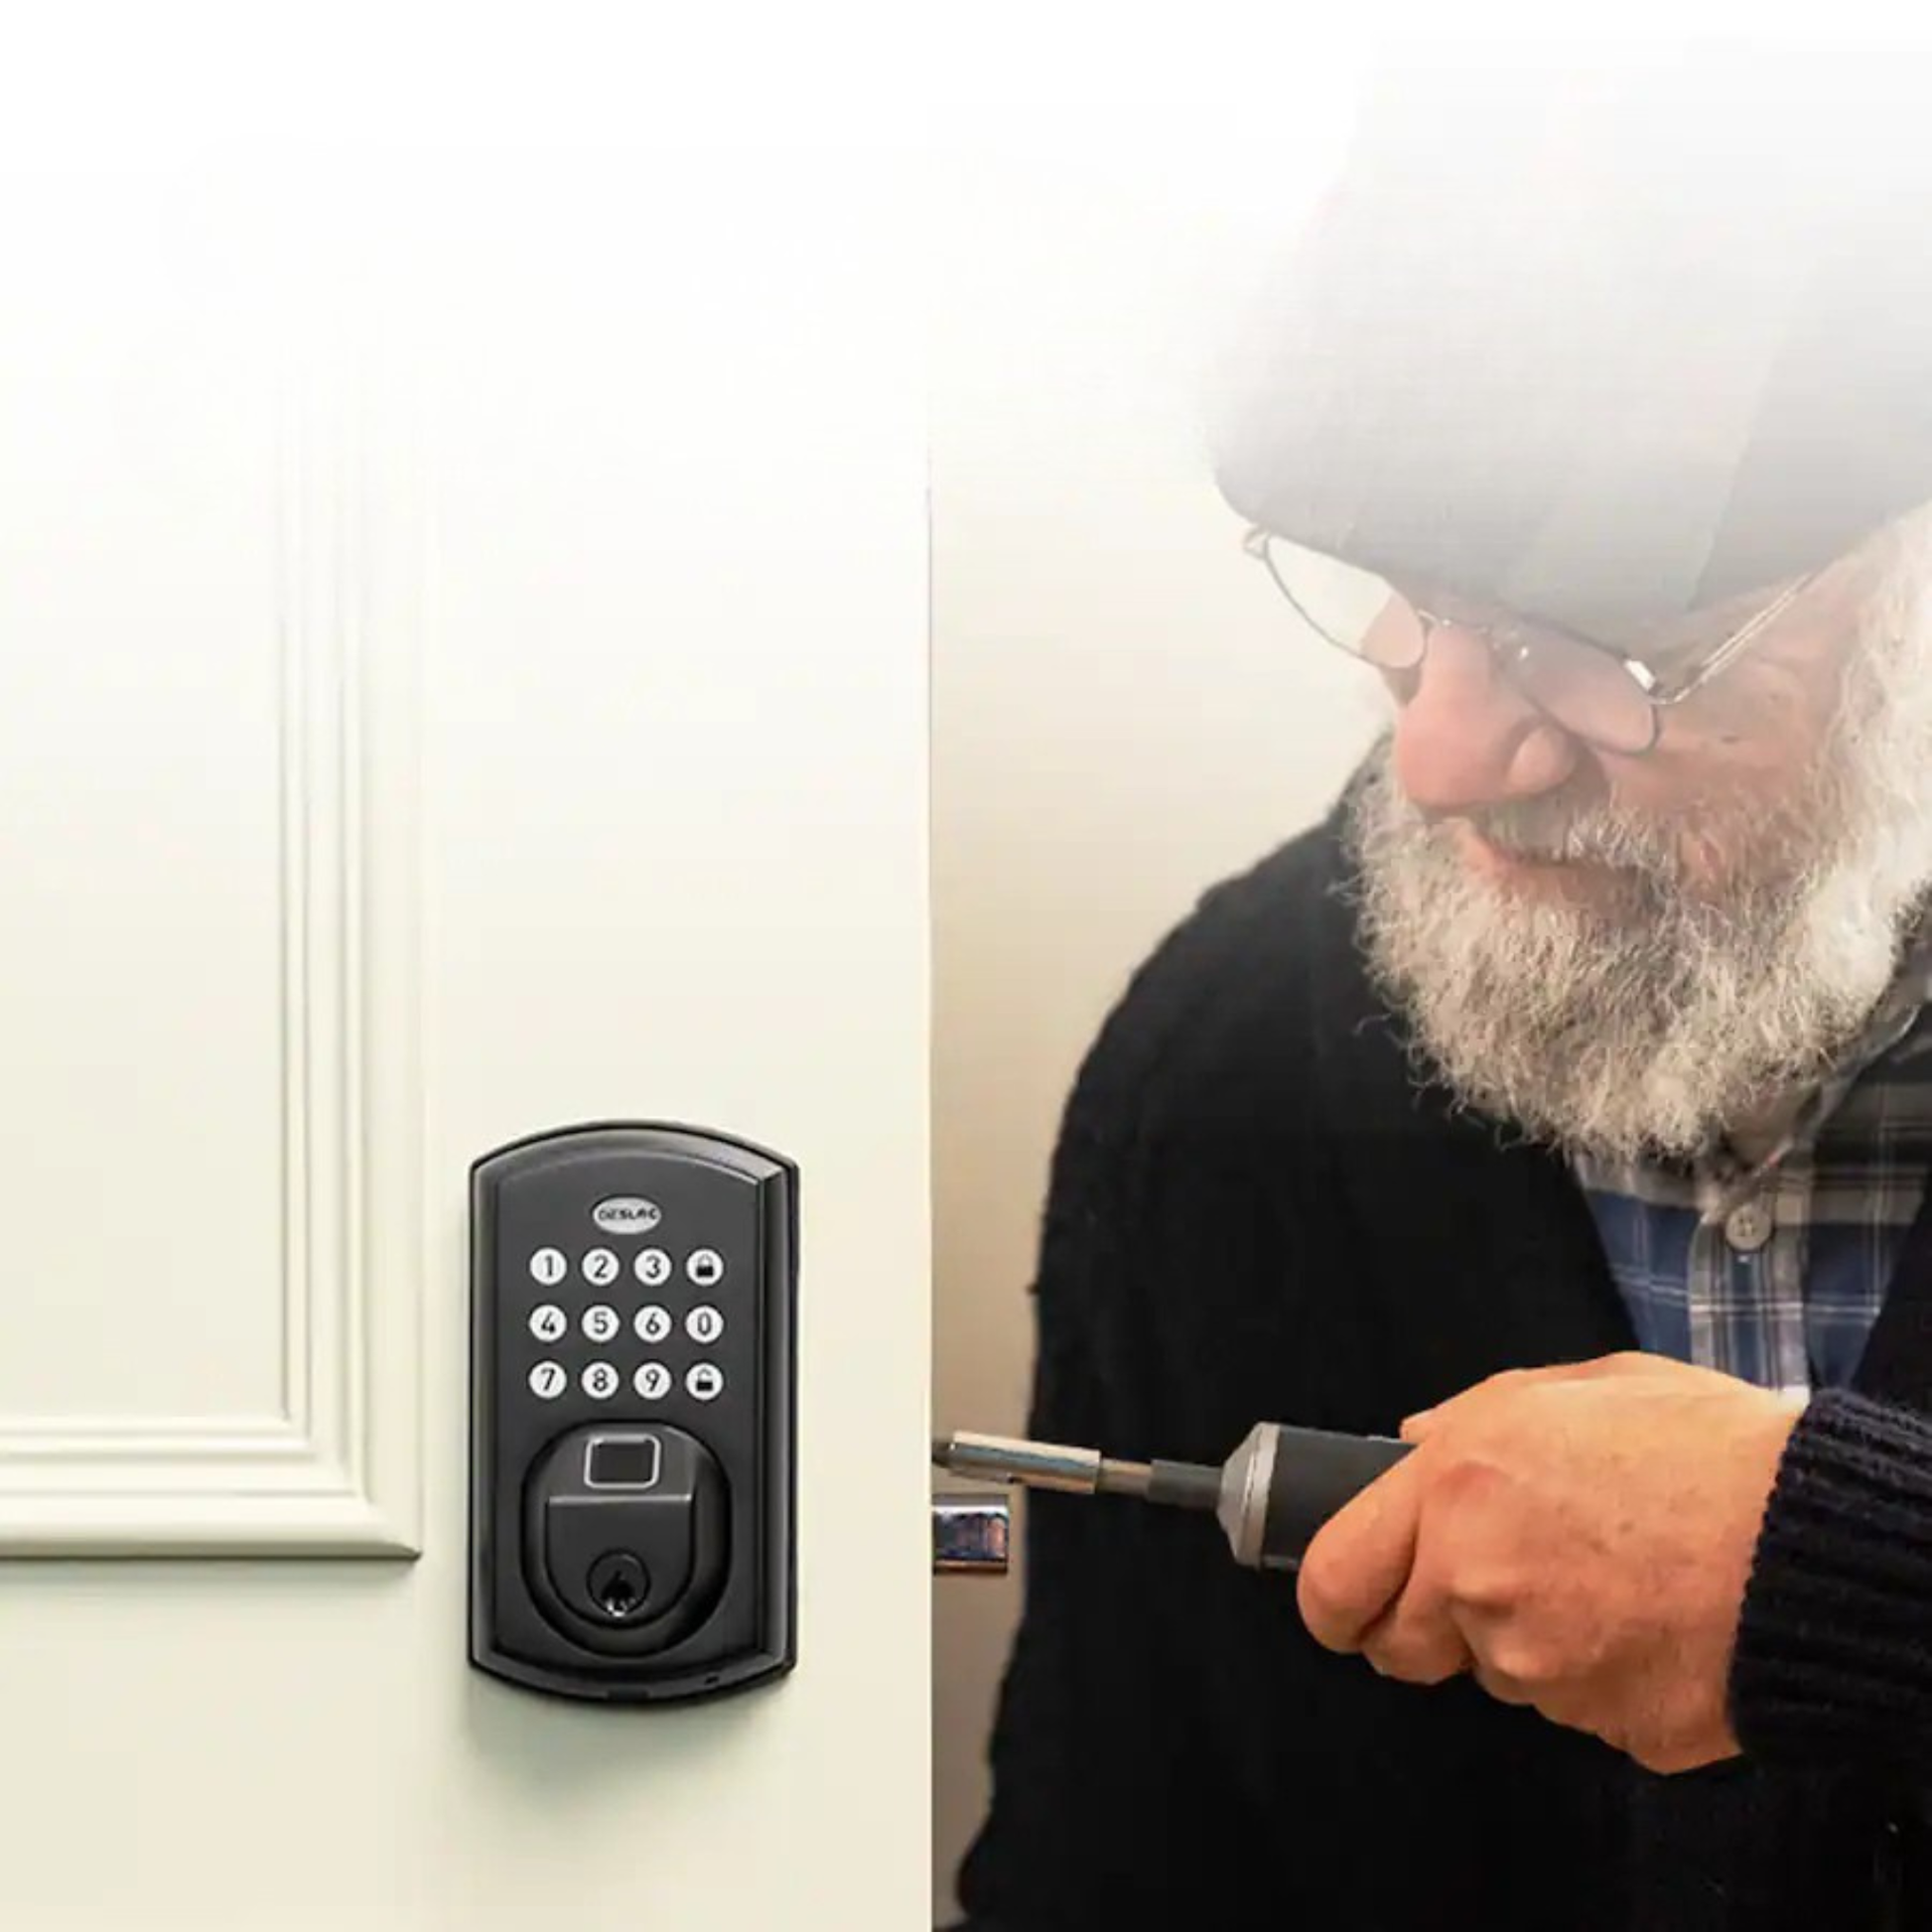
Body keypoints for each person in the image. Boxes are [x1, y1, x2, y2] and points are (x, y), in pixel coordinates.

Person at [948, 49, 1932, 1932]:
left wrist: (1833, 1583)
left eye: (1591, 651)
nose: (1446, 759)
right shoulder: (1233, 1054)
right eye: (1408, 600)